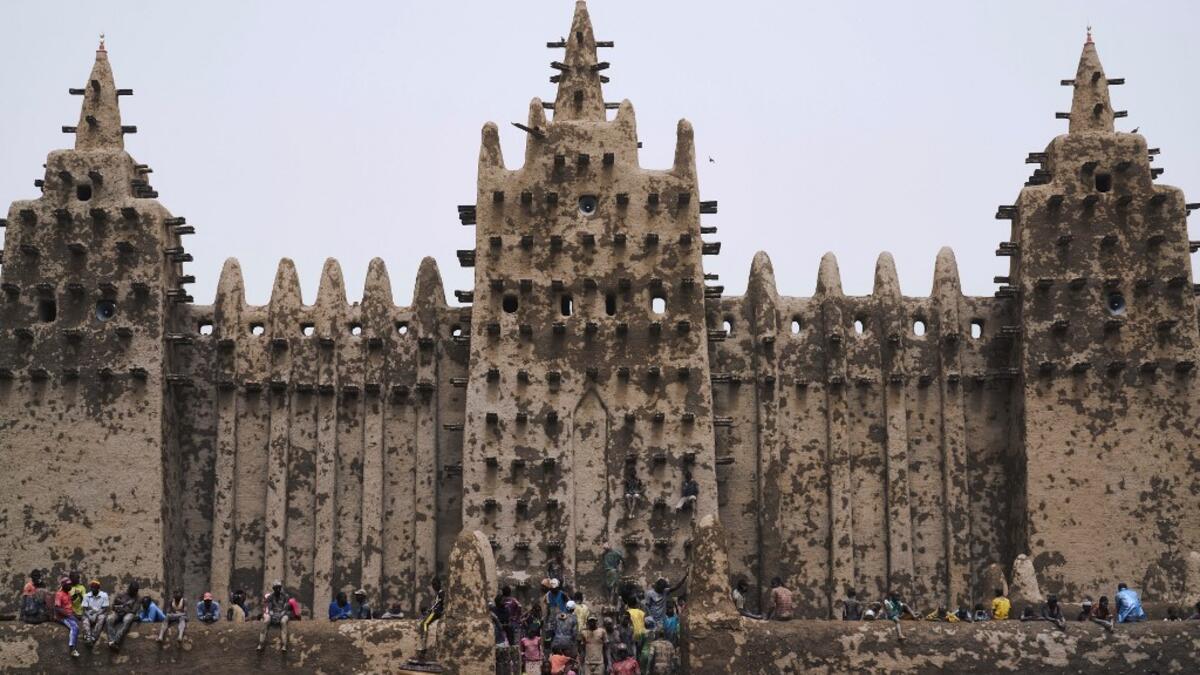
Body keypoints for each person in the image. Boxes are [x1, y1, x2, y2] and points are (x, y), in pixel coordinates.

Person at [258, 580, 291, 652]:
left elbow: (286, 608)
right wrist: (271, 614)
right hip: (274, 614)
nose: (278, 589)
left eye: (279, 587)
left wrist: (281, 614)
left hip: (283, 613)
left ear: (281, 588)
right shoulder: (271, 596)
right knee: (266, 621)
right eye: (276, 588)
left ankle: (284, 645)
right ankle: (260, 644)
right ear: (274, 589)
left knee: (283, 622)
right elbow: (269, 608)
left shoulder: (285, 596)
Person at [106, 582, 140, 650]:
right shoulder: (121, 594)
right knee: (109, 618)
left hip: (128, 613)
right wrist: (118, 608)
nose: (134, 592)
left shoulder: (138, 598)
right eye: (132, 590)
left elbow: (134, 611)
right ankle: (111, 641)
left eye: (135, 591)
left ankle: (116, 641)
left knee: (127, 619)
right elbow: (113, 606)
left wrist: (124, 609)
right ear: (129, 588)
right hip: (118, 612)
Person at [53, 576, 81, 658]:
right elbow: (57, 608)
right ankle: (72, 649)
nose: (70, 586)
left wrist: (74, 614)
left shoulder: (68, 593)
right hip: (63, 617)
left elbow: (69, 605)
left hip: (70, 615)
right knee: (74, 627)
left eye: (70, 584)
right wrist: (68, 615)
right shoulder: (59, 594)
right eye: (68, 585)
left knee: (80, 623)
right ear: (63, 585)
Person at [81, 580, 109, 646]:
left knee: (102, 617)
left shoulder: (104, 595)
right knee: (85, 619)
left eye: (94, 587)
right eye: (91, 587)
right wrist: (89, 616)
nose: (92, 589)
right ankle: (88, 637)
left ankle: (94, 637)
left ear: (98, 588)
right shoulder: (86, 596)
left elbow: (104, 608)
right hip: (89, 614)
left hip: (99, 613)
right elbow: (84, 609)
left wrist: (97, 614)